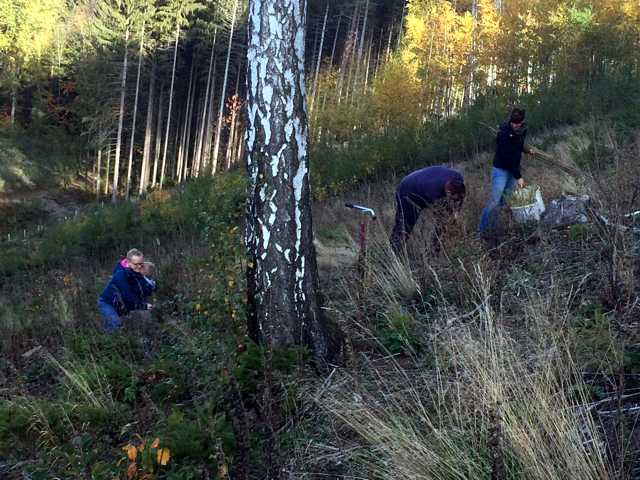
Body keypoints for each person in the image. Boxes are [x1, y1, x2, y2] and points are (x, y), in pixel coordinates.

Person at [477, 107, 532, 236]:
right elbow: (508, 157)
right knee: (494, 201)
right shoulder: (503, 133)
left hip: (513, 170)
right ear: (510, 121)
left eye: (518, 123)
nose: (515, 125)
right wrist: (518, 176)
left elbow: (518, 144)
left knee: (505, 201)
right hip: (501, 170)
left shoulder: (522, 130)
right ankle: (481, 232)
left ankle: (494, 228)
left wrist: (527, 150)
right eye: (513, 122)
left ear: (522, 122)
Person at [390, 165, 466, 252]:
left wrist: (456, 214)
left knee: (446, 221)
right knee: (405, 226)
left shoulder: (458, 178)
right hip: (408, 190)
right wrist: (451, 220)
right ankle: (393, 251)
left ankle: (435, 250)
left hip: (422, 182)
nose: (454, 201)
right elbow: (440, 215)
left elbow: (459, 200)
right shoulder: (433, 190)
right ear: (447, 191)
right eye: (452, 198)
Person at [98, 248, 154, 331]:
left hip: (121, 304)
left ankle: (107, 329)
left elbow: (143, 290)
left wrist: (150, 287)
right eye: (136, 264)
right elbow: (127, 295)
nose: (139, 267)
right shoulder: (120, 274)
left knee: (122, 324)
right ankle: (104, 335)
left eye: (141, 264)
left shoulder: (137, 273)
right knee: (116, 324)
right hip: (108, 303)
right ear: (128, 263)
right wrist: (143, 306)